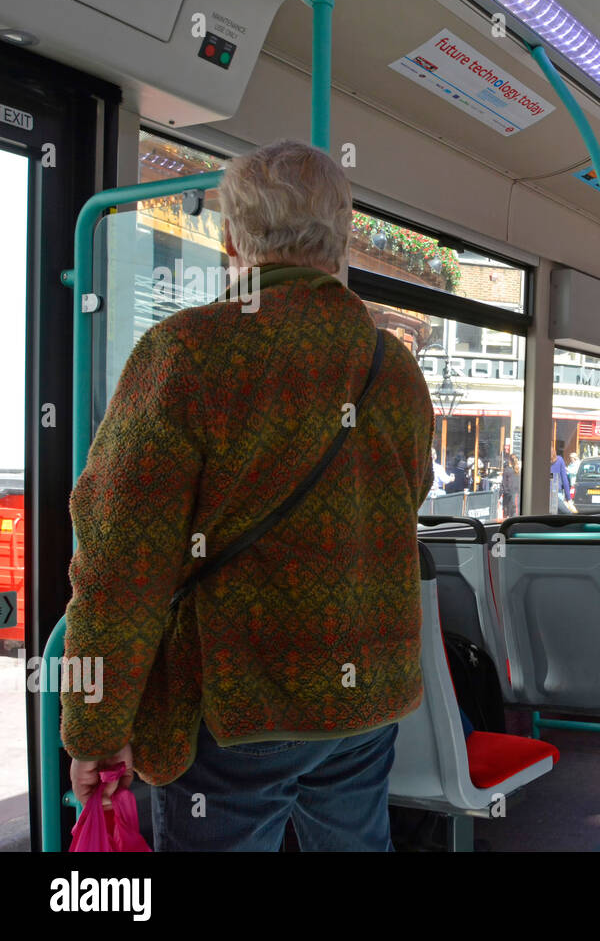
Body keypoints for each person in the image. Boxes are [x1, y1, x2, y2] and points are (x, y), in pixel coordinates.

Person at [61, 140, 434, 851]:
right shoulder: (395, 367)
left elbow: (120, 563)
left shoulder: (184, 353)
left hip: (239, 700)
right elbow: (401, 503)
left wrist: (96, 728)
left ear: (229, 237)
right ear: (341, 239)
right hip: (364, 698)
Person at [550, 442, 572, 514]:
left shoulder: (542, 461)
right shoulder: (559, 460)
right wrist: (568, 498)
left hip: (545, 495)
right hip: (557, 494)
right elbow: (565, 480)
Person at [499, 442, 520, 518]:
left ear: (509, 461)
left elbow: (504, 484)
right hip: (516, 495)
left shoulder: (507, 470)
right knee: (514, 513)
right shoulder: (518, 471)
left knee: (507, 514)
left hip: (509, 496)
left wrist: (505, 493)